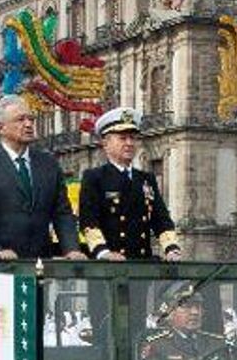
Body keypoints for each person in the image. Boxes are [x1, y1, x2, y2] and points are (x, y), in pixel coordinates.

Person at [0, 95, 85, 261]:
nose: (28, 124)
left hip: (41, 262)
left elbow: (62, 212)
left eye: (31, 119)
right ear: (0, 128)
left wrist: (71, 248)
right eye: (20, 119)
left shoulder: (48, 163)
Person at [77, 108, 182, 260]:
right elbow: (89, 222)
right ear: (106, 143)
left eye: (133, 138)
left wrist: (171, 248)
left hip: (141, 264)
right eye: (122, 138)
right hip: (108, 266)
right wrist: (103, 252)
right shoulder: (95, 178)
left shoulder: (146, 179)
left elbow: (161, 219)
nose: (129, 143)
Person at [140, 283, 220, 360]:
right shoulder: (157, 346)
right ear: (169, 312)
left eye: (198, 306)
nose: (195, 312)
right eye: (186, 306)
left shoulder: (216, 344)